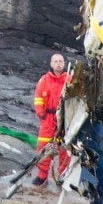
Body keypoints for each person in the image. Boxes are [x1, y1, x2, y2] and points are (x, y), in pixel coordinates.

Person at [32, 53, 71, 186]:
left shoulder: (69, 80)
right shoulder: (44, 80)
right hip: (47, 118)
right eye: (56, 61)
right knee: (43, 147)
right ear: (51, 63)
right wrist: (40, 113)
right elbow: (38, 98)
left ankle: (62, 175)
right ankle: (42, 175)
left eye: (60, 61)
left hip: (63, 119)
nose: (58, 64)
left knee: (64, 148)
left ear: (64, 64)